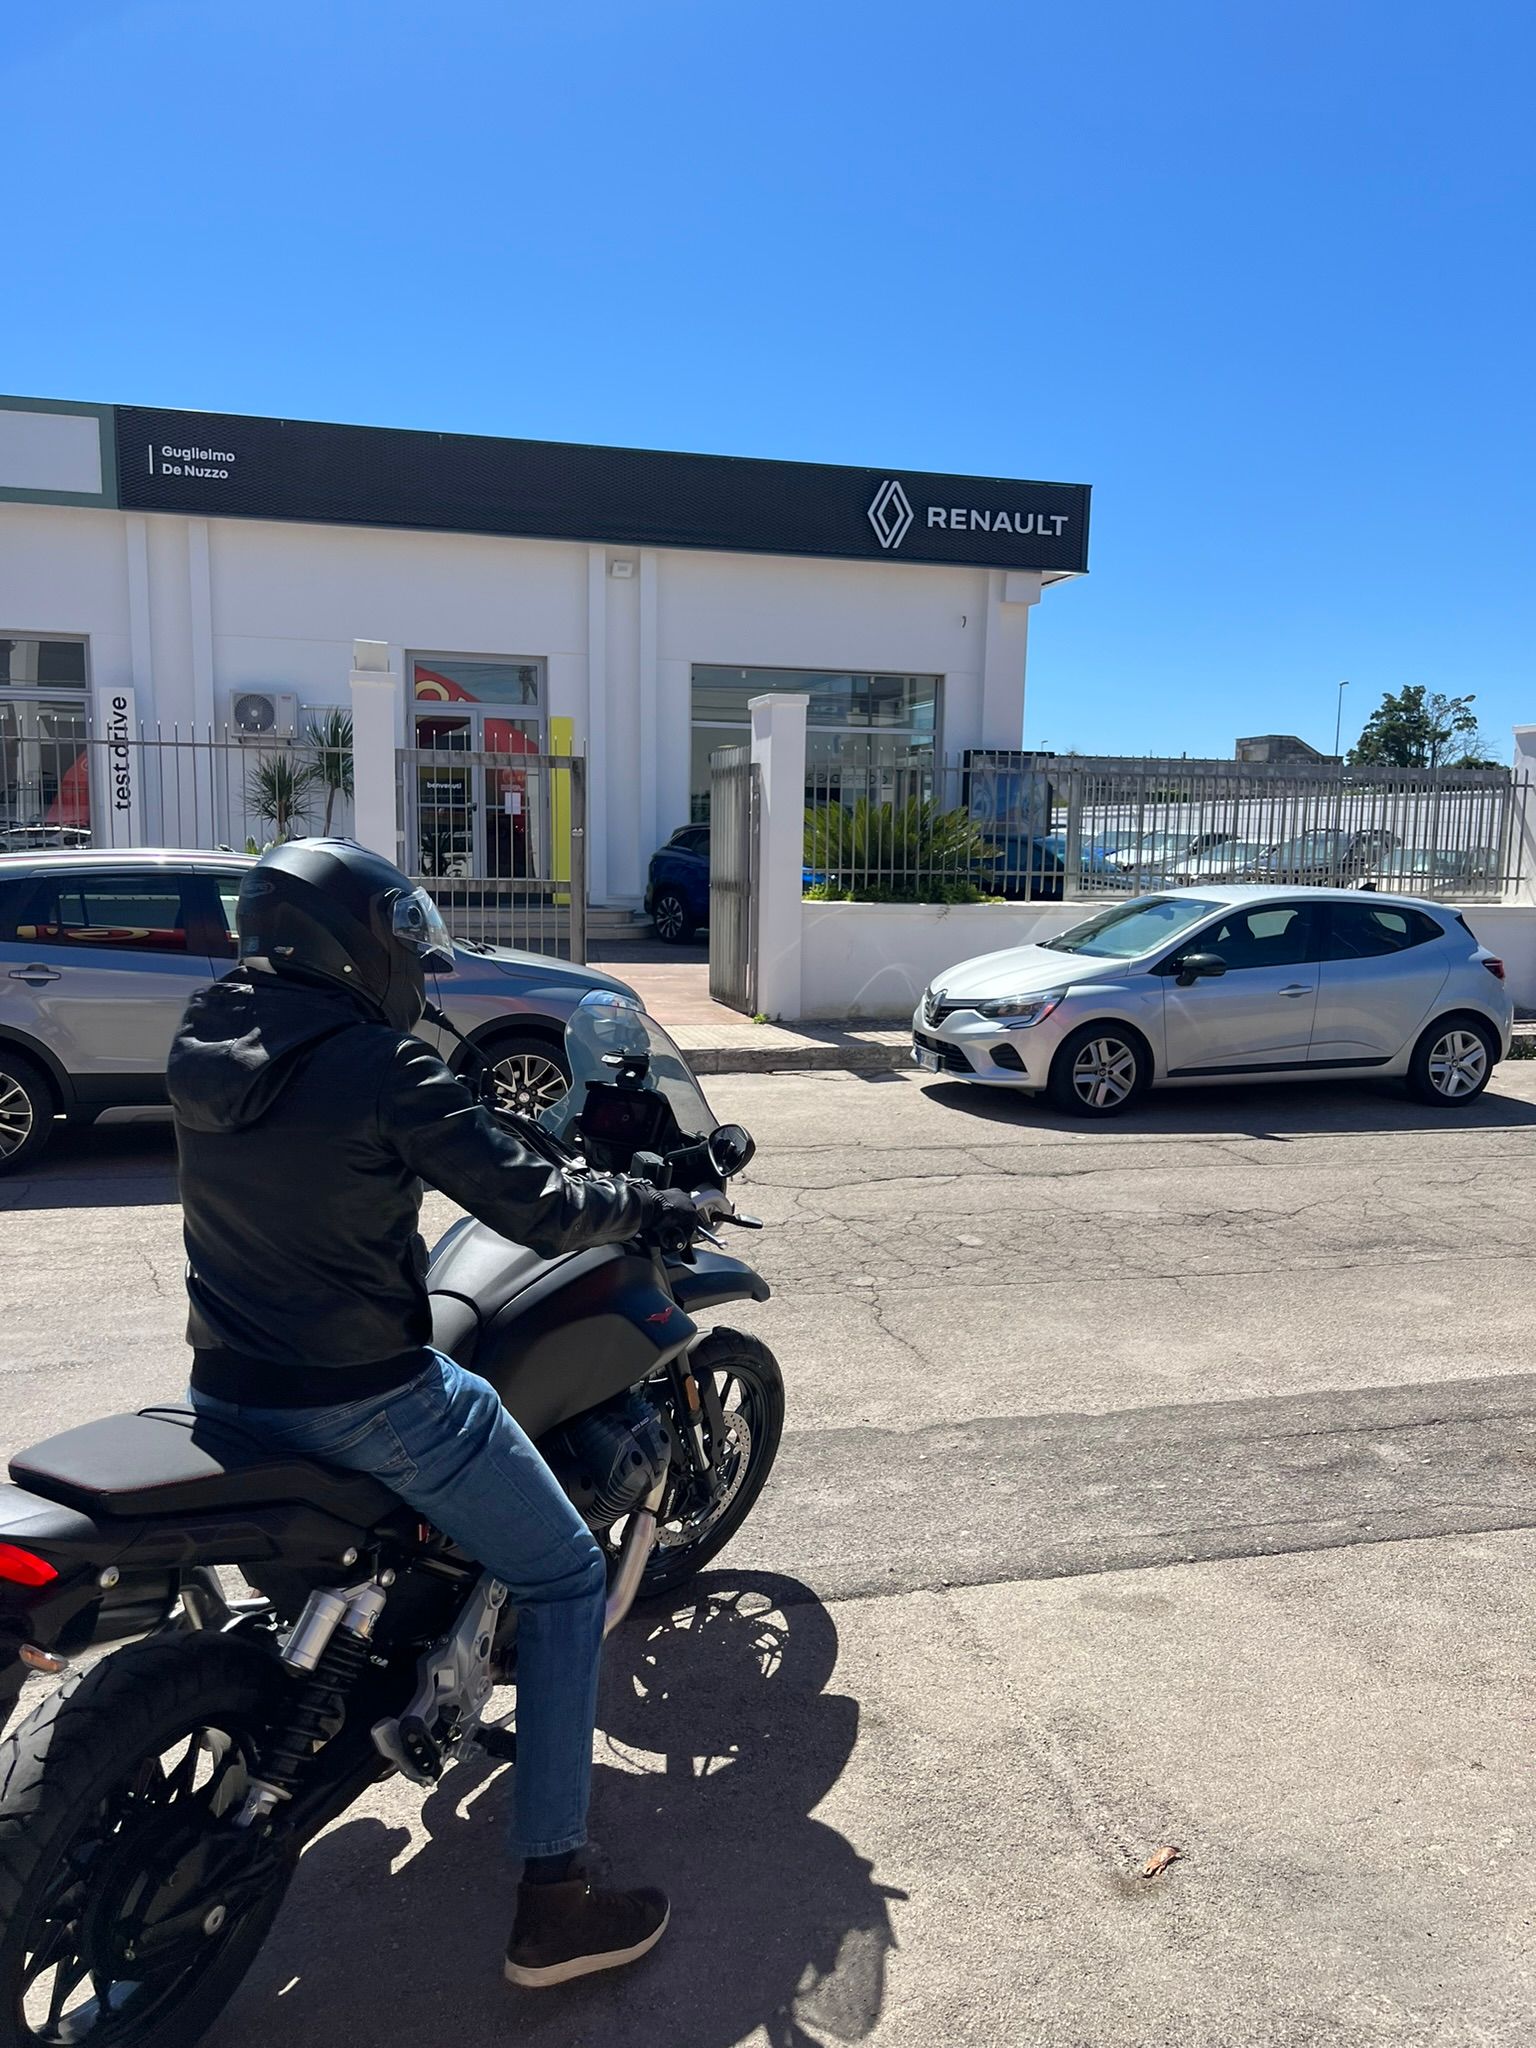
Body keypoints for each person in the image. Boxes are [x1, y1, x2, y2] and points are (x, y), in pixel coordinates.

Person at [167, 838, 698, 1989]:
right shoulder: (375, 1063)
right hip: (369, 1397)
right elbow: (538, 1205)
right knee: (561, 1574)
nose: (413, 967)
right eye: (401, 943)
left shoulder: (205, 1032)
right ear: (357, 945)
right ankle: (555, 1900)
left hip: (228, 1383)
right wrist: (643, 1196)